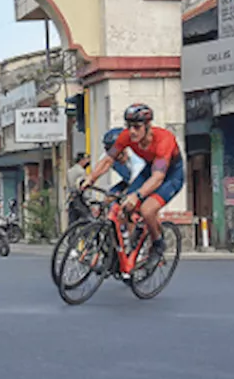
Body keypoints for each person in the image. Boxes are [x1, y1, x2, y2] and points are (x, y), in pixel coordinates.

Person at [79, 103, 185, 269]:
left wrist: (138, 195)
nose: (132, 131)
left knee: (146, 209)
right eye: (129, 127)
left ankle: (158, 244)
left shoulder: (164, 140)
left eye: (137, 127)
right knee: (122, 208)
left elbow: (158, 178)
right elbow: (108, 160)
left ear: (148, 126)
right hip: (149, 170)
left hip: (170, 175)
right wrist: (90, 178)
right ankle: (124, 250)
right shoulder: (126, 136)